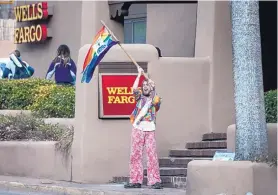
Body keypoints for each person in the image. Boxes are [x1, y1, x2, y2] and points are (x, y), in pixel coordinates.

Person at [124, 66, 163, 189]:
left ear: (151, 88)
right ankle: (135, 180)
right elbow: (134, 89)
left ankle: (155, 181)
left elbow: (157, 101)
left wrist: (154, 87)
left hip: (150, 129)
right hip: (138, 128)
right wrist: (139, 74)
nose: (145, 86)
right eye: (144, 85)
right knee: (135, 154)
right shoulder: (139, 97)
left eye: (148, 85)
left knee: (152, 155)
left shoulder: (155, 99)